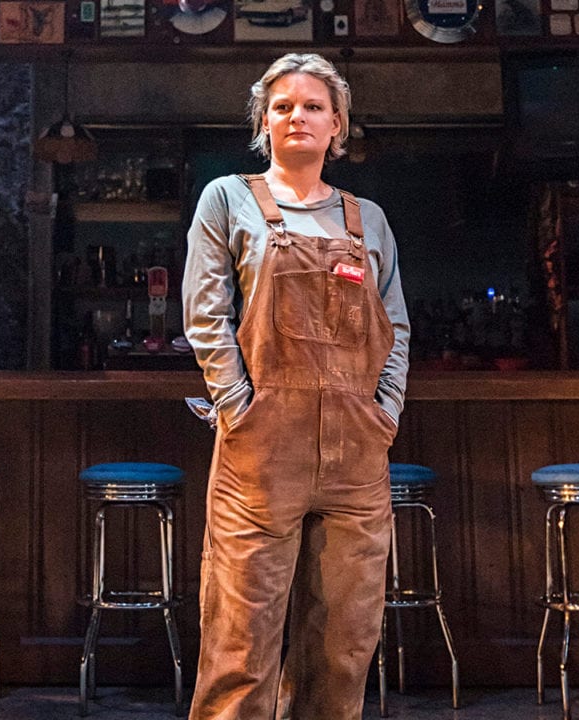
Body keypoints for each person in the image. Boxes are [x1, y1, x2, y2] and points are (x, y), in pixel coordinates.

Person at [182, 53, 410, 720]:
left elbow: (394, 323)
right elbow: (204, 315)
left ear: (337, 124)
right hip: (261, 453)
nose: (297, 116)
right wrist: (238, 406)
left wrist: (383, 413)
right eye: (282, 106)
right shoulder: (228, 199)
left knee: (344, 645)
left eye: (313, 106)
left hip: (356, 455)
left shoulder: (366, 218)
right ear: (263, 122)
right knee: (240, 644)